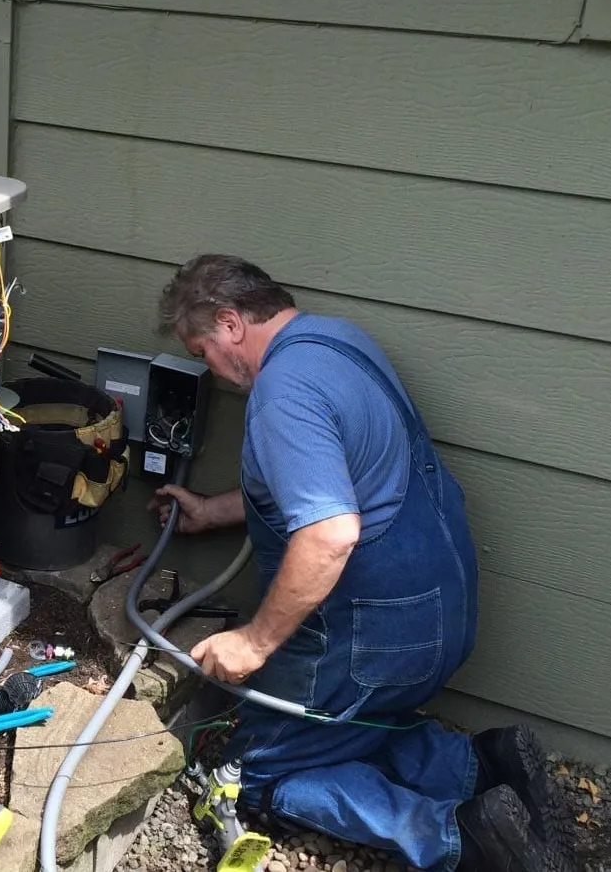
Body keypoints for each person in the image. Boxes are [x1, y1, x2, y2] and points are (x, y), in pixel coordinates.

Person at [146, 255, 577, 872]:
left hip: (374, 637)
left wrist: (255, 642)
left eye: (203, 350)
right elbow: (328, 481)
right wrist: (215, 510)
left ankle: (459, 837)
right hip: (442, 609)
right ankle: (482, 766)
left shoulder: (282, 393)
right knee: (347, 722)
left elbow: (329, 532)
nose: (210, 371)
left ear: (230, 322)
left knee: (258, 772)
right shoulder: (338, 340)